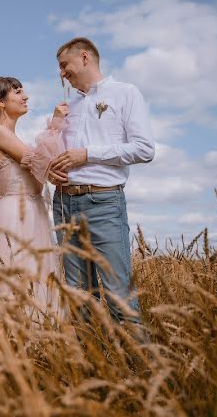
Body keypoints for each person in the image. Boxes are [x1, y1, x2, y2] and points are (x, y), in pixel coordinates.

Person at [47, 37, 155, 327]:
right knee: (79, 299)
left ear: (84, 57)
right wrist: (51, 170)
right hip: (64, 204)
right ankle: (90, 368)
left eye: (63, 65)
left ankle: (142, 370)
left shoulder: (125, 93)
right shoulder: (68, 106)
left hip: (103, 202)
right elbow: (55, 153)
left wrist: (87, 154)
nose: (61, 73)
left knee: (118, 296)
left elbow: (144, 150)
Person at [0, 76, 68, 315]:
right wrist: (56, 124)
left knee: (36, 276)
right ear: (0, 102)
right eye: (17, 92)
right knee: (15, 275)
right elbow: (40, 161)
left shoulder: (13, 136)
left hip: (32, 211)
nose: (25, 96)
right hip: (14, 215)